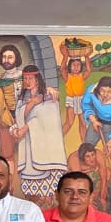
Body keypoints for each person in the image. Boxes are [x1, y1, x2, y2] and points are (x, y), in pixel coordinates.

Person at [11, 65, 68, 203]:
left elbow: (49, 120)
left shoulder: (48, 96)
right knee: (30, 197)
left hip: (45, 152)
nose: (27, 81)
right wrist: (14, 130)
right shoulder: (21, 99)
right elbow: (18, 120)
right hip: (28, 152)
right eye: (25, 78)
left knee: (49, 198)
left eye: (30, 78)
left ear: (37, 79)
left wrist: (28, 126)